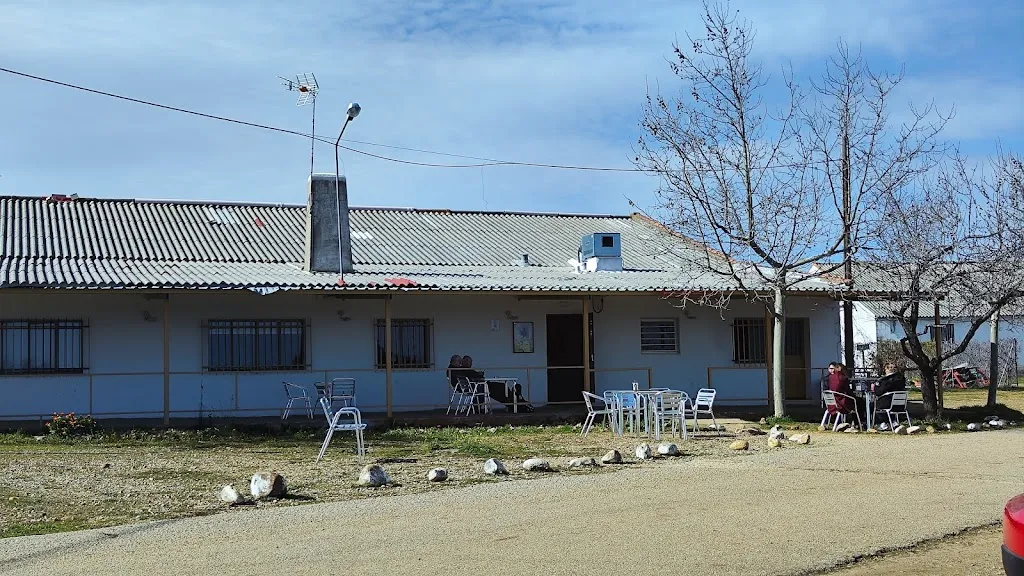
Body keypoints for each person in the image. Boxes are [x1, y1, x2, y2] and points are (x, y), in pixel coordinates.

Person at [462, 355, 534, 413]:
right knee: (501, 388)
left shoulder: (464, 370)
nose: (471, 364)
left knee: (502, 388)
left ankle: (513, 402)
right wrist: (479, 374)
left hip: (480, 385)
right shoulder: (465, 370)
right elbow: (477, 376)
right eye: (470, 362)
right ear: (465, 362)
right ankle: (513, 403)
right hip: (481, 386)